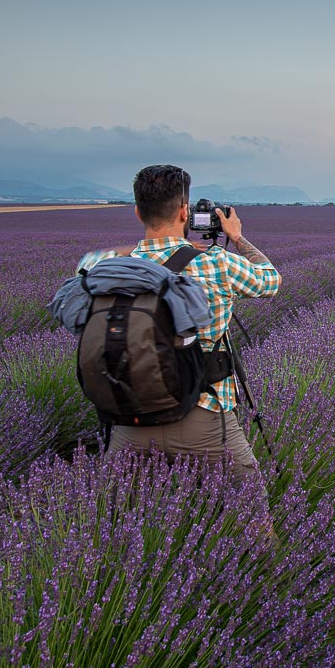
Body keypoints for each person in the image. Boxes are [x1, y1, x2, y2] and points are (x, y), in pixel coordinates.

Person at [77, 164, 281, 487]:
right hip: (205, 420)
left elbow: (84, 263)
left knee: (111, 520)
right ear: (185, 212)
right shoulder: (217, 262)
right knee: (252, 510)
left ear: (137, 212)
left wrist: (142, 252)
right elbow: (271, 280)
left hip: (130, 421)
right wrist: (236, 237)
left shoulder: (109, 267)